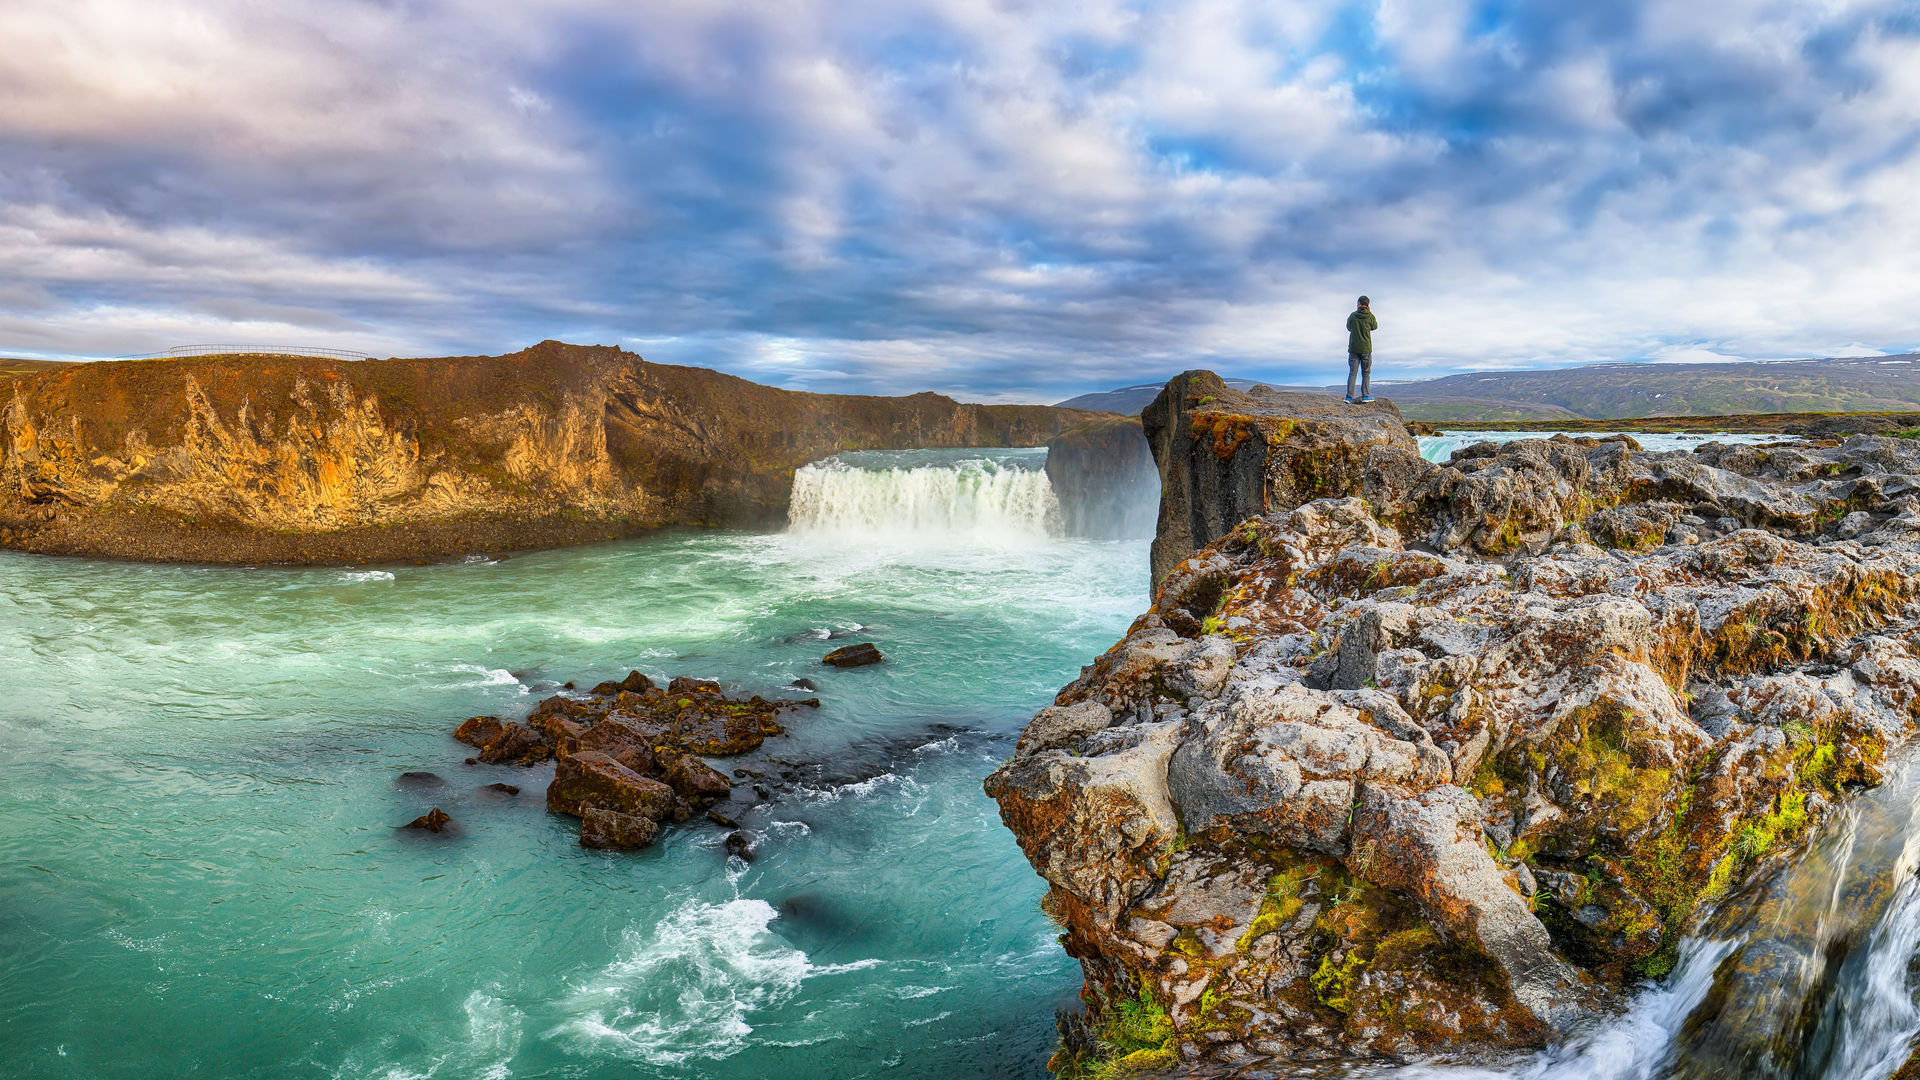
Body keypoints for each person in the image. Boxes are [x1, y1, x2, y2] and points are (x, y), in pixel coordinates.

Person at [1344, 296, 1378, 404]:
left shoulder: (1353, 316)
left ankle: (1349, 398)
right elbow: (1374, 326)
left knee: (1352, 373)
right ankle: (1365, 396)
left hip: (1354, 349)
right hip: (1366, 349)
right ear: (1368, 305)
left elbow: (1349, 327)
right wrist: (1369, 312)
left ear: (1358, 303)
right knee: (1366, 373)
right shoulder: (1370, 316)